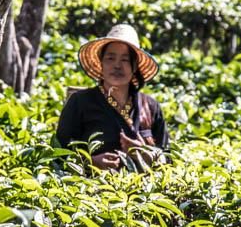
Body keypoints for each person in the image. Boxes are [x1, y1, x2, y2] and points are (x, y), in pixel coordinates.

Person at [56, 23, 169, 171]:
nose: (117, 65)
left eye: (124, 60)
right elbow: (57, 155)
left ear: (134, 66)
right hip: (91, 190)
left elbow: (169, 158)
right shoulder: (80, 102)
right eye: (110, 58)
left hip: (143, 192)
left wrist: (146, 153)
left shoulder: (151, 107)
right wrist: (89, 162)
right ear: (101, 64)